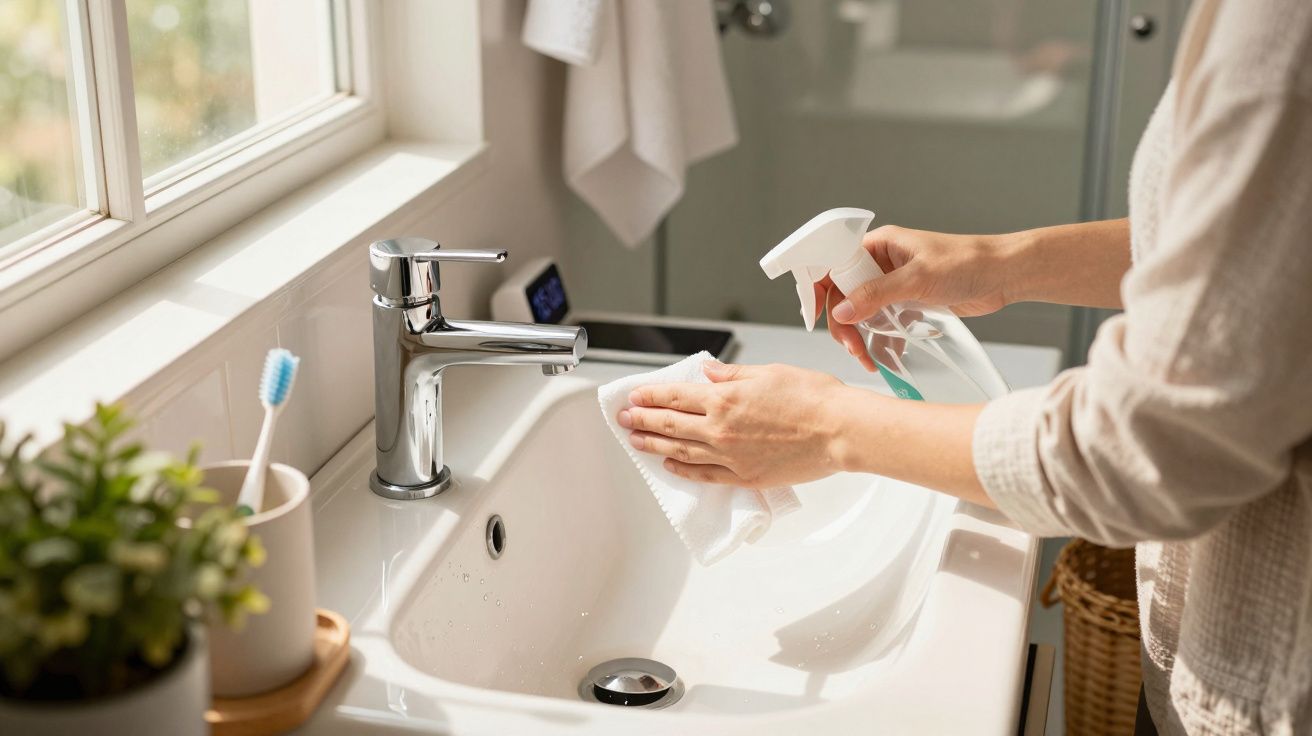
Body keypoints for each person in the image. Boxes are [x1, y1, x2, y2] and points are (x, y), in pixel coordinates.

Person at [614, 0, 1312, 732]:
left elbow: (1142, 450)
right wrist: (998, 263)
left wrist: (828, 428)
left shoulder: (1282, 36)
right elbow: (1255, 253)